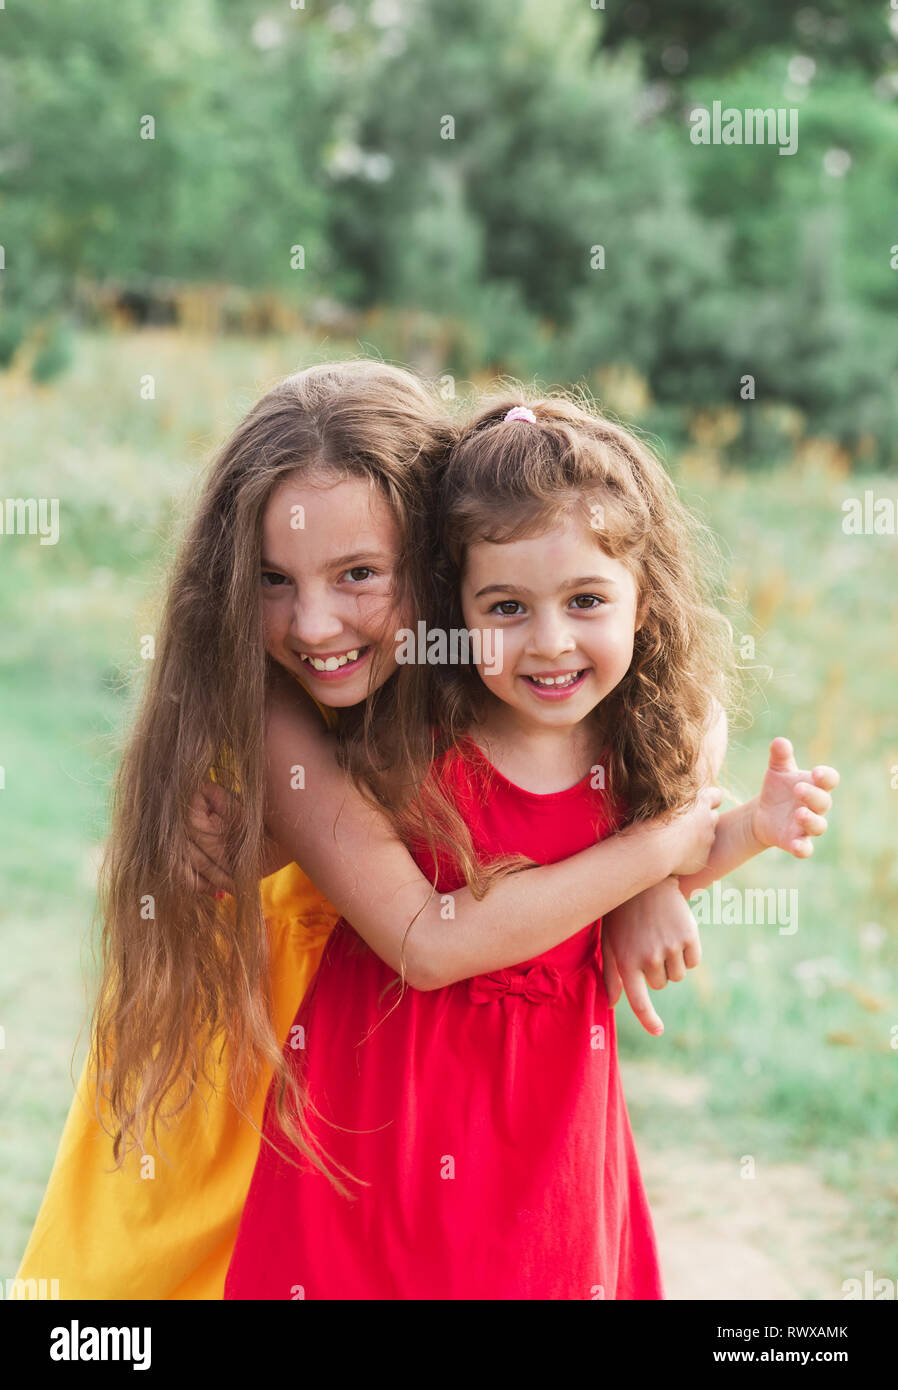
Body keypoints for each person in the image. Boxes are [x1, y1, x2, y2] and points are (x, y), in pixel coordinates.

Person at [15, 362, 719, 1299]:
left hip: (398, 1102)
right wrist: (656, 855)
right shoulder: (274, 710)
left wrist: (647, 884)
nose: (313, 624)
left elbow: (685, 700)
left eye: (358, 576)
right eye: (272, 580)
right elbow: (427, 939)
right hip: (252, 1085)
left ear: (439, 563)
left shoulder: (480, 666)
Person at [223, 393, 838, 1299]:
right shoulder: (418, 728)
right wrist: (657, 857)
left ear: (643, 603)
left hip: (548, 1122)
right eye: (505, 606)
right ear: (450, 605)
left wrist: (739, 833)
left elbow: (687, 822)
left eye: (586, 600)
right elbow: (334, 851)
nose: (548, 643)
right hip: (382, 1104)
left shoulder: (630, 749)